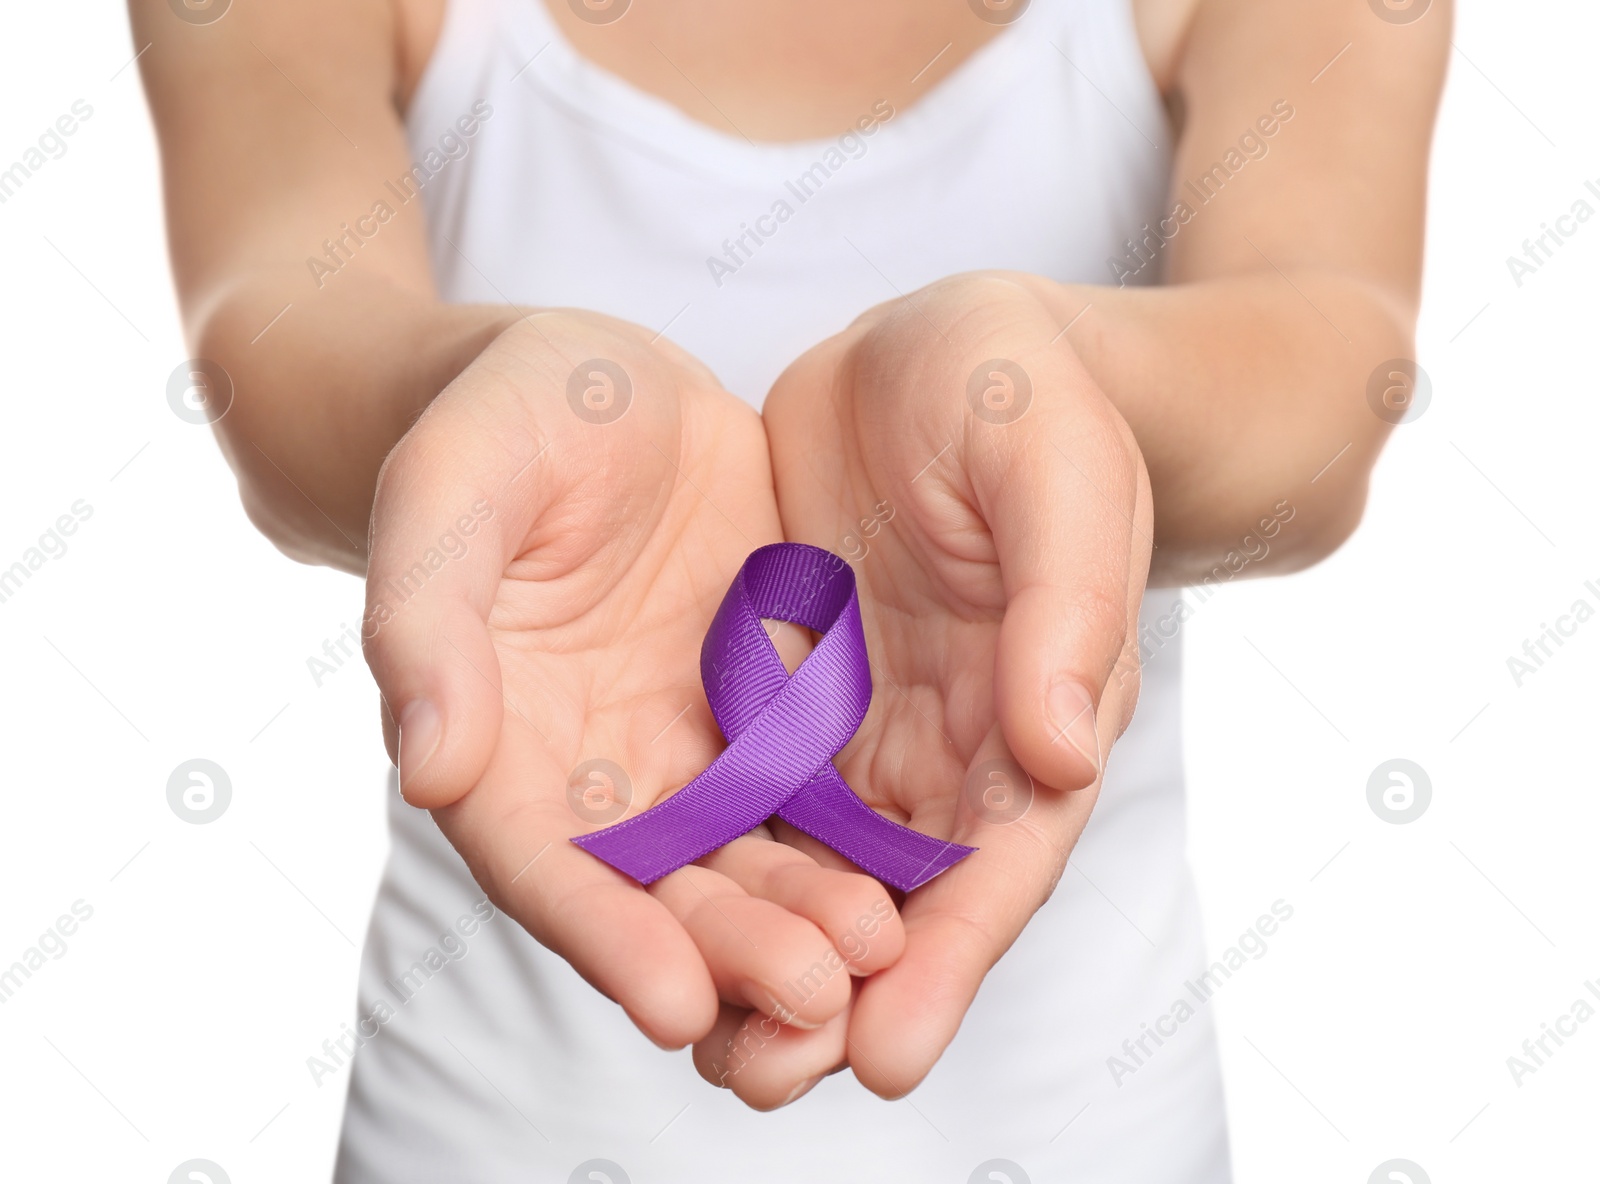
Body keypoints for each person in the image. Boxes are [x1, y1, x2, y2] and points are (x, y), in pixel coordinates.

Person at [132, 0, 1449, 1177]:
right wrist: (475, 394)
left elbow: (1331, 362)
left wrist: (1051, 382)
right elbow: (278, 324)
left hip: (1087, 1124)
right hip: (484, 1128)